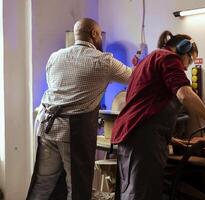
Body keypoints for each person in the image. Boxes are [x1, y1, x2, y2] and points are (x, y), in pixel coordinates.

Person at [27, 18, 132, 200]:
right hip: (72, 131)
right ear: (94, 34)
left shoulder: (56, 56)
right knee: (77, 187)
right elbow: (135, 78)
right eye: (100, 34)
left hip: (46, 126)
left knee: (44, 183)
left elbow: (56, 87)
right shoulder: (104, 61)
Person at [111, 30, 205, 200]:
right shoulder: (169, 59)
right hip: (143, 139)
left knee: (133, 192)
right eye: (190, 60)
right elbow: (185, 95)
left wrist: (167, 137)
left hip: (134, 137)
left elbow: (149, 103)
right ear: (182, 49)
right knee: (142, 194)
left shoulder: (147, 61)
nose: (186, 67)